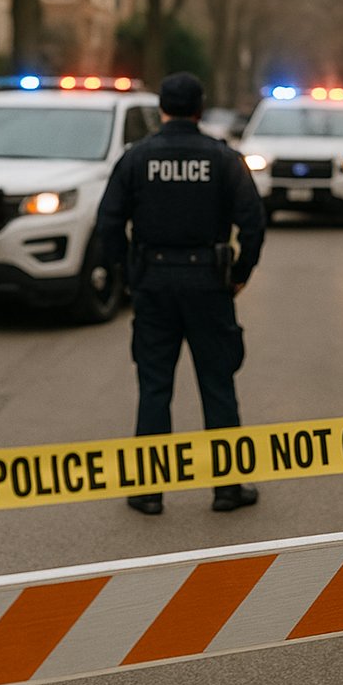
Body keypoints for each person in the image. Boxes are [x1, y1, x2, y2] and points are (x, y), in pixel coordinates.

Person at [96, 72, 265, 515]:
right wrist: (240, 272)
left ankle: (148, 491)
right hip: (209, 284)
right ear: (200, 110)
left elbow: (108, 223)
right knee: (217, 383)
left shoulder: (137, 158)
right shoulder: (224, 158)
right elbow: (253, 222)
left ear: (162, 111)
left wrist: (129, 273)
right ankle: (227, 488)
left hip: (153, 284)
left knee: (154, 388)